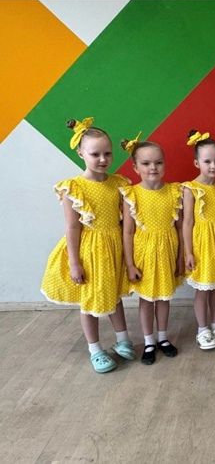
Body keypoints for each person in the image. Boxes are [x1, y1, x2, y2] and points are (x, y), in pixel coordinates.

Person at [41, 117, 135, 373]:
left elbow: (126, 222)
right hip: (90, 252)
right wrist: (75, 262)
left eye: (107, 153)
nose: (103, 159)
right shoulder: (74, 188)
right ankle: (95, 349)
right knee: (90, 301)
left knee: (114, 296)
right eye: (95, 154)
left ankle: (123, 339)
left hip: (113, 247)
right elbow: (72, 227)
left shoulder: (119, 184)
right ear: (81, 153)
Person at [120, 134, 183, 365]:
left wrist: (180, 257)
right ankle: (148, 341)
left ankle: (163, 338)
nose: (153, 167)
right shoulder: (132, 195)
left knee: (164, 298)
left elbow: (180, 228)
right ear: (135, 167)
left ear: (165, 164)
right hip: (144, 255)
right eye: (146, 163)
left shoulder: (175, 192)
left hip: (167, 252)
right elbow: (128, 232)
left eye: (158, 162)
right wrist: (130, 264)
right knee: (147, 300)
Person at [182, 130, 215, 350]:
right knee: (203, 290)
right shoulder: (191, 189)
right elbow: (187, 223)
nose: (213, 166)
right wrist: (188, 252)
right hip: (201, 246)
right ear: (197, 163)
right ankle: (202, 329)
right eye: (207, 161)